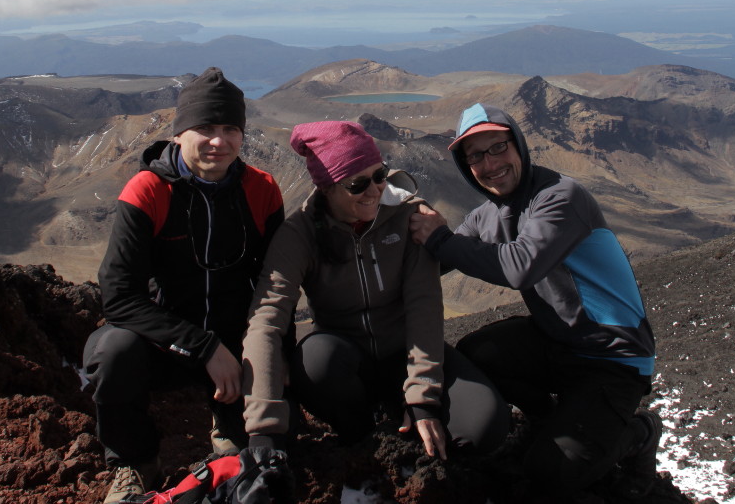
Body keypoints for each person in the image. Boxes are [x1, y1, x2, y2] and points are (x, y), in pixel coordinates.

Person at [408, 103, 661, 498]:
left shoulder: (560, 197)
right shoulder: (488, 214)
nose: (490, 164)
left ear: (519, 145)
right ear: (464, 164)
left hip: (612, 358)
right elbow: (440, 259)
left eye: (498, 148)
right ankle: (550, 418)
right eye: (475, 155)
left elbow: (519, 267)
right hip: (555, 341)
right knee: (476, 353)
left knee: (551, 473)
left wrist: (439, 237)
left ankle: (639, 434)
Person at [242, 120, 509, 465]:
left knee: (484, 427)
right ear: (326, 188)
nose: (374, 191)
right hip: (346, 364)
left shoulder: (408, 217)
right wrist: (263, 429)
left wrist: (424, 399)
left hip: (405, 352)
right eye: (357, 184)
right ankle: (361, 438)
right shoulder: (300, 235)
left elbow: (423, 304)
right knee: (316, 359)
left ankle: (405, 414)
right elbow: (266, 319)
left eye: (380, 175)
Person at [83, 68, 285, 504]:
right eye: (205, 128)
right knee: (111, 353)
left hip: (237, 343)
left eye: (231, 128)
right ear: (179, 134)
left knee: (267, 449)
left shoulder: (262, 189)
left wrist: (249, 346)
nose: (219, 140)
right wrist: (204, 348)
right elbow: (119, 297)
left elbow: (274, 281)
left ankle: (228, 424)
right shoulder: (148, 190)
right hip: (166, 343)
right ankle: (135, 463)